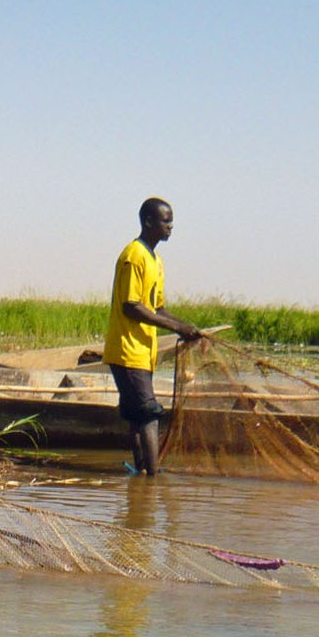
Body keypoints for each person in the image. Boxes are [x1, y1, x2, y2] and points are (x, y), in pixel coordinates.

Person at [103, 198, 203, 475]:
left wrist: (186, 326)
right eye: (165, 221)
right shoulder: (133, 256)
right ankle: (152, 481)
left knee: (137, 416)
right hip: (127, 350)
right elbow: (132, 306)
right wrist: (177, 329)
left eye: (171, 221)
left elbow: (157, 307)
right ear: (149, 221)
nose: (171, 226)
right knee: (148, 414)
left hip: (144, 352)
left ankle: (141, 474)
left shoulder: (156, 261)